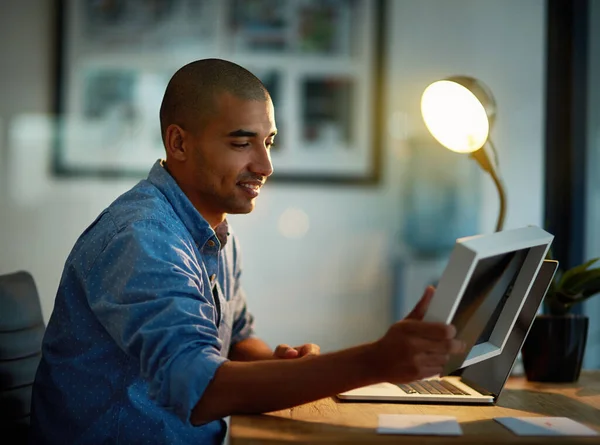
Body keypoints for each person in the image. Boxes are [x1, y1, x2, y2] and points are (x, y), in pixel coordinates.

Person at [29, 58, 464, 445]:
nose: (265, 166)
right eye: (242, 144)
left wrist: (280, 364)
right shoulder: (143, 238)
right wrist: (376, 360)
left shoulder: (210, 225)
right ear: (178, 143)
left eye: (268, 142)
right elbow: (202, 391)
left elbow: (235, 340)